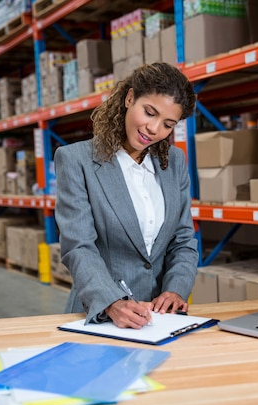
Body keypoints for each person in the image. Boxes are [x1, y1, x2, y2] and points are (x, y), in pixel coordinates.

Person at [54, 62, 198, 329]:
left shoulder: (174, 162)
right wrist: (112, 302)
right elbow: (78, 246)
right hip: (101, 317)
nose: (154, 129)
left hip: (159, 321)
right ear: (130, 98)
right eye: (149, 112)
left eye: (168, 124)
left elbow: (183, 239)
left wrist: (176, 290)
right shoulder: (76, 160)